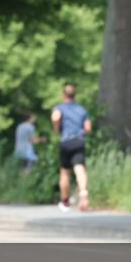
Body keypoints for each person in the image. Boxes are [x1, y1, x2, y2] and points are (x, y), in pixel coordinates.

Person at [51, 84, 92, 212]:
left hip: (66, 141)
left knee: (65, 172)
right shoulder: (82, 110)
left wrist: (57, 128)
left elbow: (55, 117)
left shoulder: (60, 108)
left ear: (64, 95)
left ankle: (65, 201)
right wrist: (80, 133)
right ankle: (83, 195)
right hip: (79, 141)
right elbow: (88, 128)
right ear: (75, 95)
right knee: (80, 169)